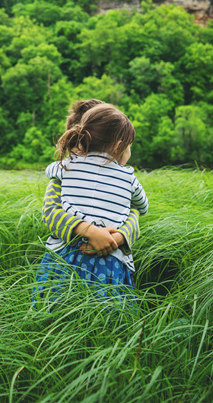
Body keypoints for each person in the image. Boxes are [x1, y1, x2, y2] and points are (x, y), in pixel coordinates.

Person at [34, 100, 148, 308]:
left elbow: (134, 213)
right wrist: (95, 233)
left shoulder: (65, 169)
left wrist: (118, 237)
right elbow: (51, 213)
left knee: (58, 315)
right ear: (117, 145)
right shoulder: (125, 177)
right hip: (107, 263)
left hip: (71, 258)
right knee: (106, 319)